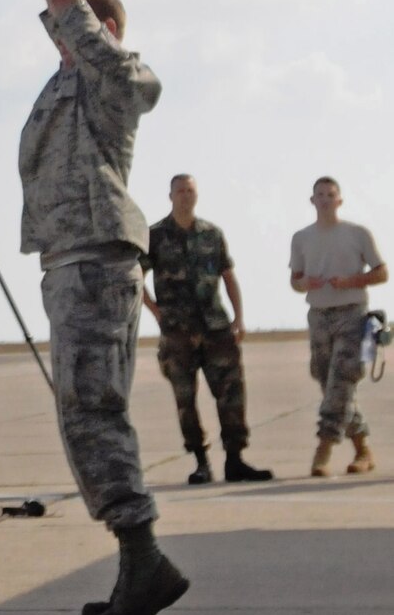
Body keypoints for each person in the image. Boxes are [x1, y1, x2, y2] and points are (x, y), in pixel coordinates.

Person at [21, 0, 187, 615]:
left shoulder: (118, 78)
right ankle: (134, 564)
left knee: (93, 410)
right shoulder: (60, 91)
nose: (62, 32)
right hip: (70, 261)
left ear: (104, 32)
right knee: (84, 414)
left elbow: (64, 5)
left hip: (95, 257)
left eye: (81, 25)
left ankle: (143, 554)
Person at [143, 175, 272, 485]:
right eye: (180, 191)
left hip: (216, 328)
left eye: (191, 191)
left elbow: (228, 277)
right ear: (170, 195)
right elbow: (137, 278)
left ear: (196, 195)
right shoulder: (155, 236)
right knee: (185, 400)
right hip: (178, 333)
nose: (186, 196)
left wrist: (238, 319)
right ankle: (200, 462)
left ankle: (235, 459)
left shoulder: (212, 234)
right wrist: (157, 313)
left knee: (231, 394)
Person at [290, 176, 387, 477]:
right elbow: (295, 279)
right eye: (320, 195)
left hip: (352, 314)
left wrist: (352, 281)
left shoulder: (357, 234)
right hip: (318, 314)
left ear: (339, 200)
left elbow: (382, 272)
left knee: (342, 380)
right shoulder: (302, 237)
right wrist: (303, 283)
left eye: (331, 195)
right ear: (312, 200)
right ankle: (362, 448)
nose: (325, 200)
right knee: (327, 381)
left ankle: (324, 446)